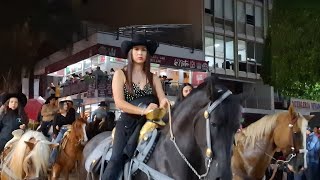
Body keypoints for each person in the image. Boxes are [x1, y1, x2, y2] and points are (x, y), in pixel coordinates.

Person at [102, 34, 168, 179]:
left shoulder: (154, 77)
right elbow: (119, 103)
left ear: (147, 53)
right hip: (127, 124)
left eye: (143, 50)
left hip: (152, 123)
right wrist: (144, 111)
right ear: (130, 52)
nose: (140, 53)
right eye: (136, 49)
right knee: (115, 160)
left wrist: (162, 105)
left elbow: (163, 98)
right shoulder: (121, 74)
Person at [49, 99, 76, 166]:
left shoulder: (70, 113)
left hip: (70, 130)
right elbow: (54, 125)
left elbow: (73, 122)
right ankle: (51, 161)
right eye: (64, 105)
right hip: (62, 130)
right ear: (61, 106)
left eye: (66, 104)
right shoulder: (57, 115)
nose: (66, 106)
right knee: (56, 143)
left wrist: (70, 126)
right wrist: (55, 132)